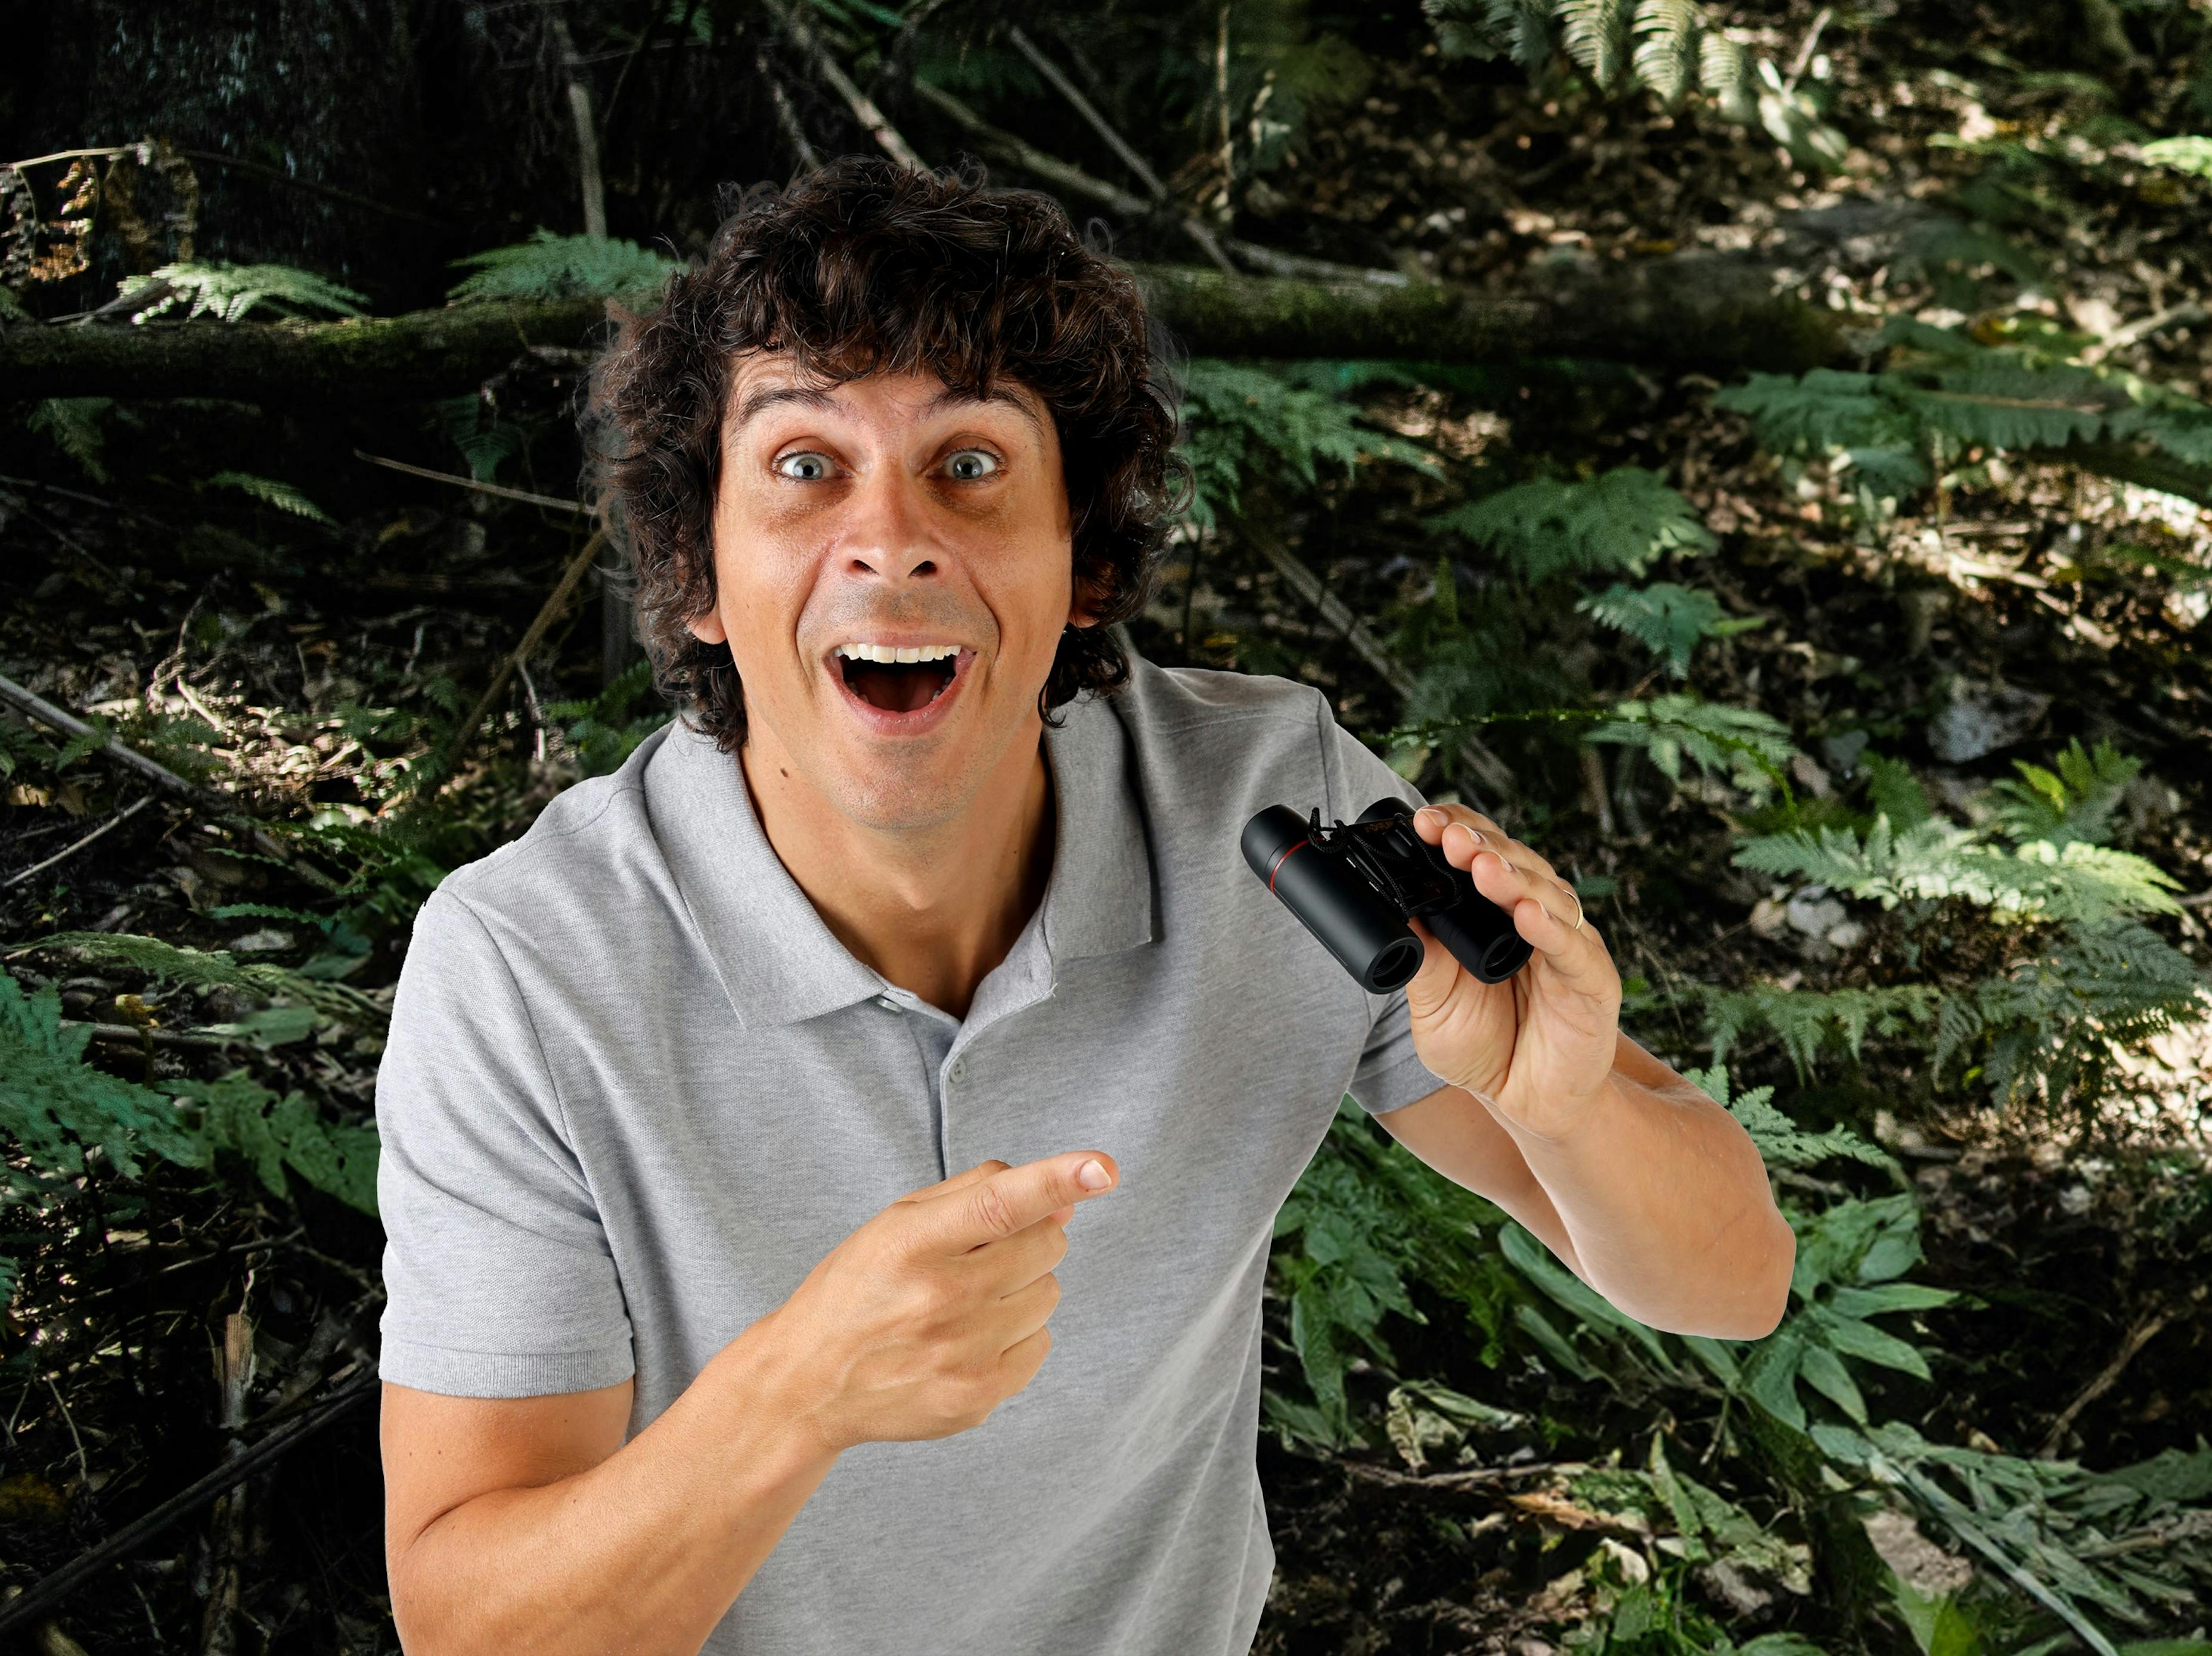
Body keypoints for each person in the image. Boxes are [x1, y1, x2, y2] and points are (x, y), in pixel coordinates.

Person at [374, 156, 1793, 1656]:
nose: (892, 536)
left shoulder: (1264, 805)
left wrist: (1567, 1103)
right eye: (803, 466)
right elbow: (472, 1626)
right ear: (696, 569)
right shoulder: (529, 969)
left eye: (970, 463)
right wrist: (800, 1389)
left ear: (1087, 562)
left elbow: (1735, 1281)